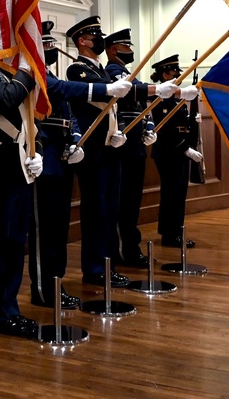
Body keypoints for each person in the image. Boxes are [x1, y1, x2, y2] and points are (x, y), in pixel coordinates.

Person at [0, 9, 42, 338]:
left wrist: (35, 150)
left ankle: (9, 308)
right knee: (1, 245)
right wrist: (28, 72)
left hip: (19, 168)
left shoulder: (7, 71)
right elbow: (5, 101)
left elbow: (26, 118)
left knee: (16, 242)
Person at [104, 29, 197, 268]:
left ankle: (130, 248)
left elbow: (139, 105)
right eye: (126, 47)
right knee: (124, 202)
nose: (131, 51)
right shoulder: (114, 72)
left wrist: (147, 127)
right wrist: (176, 91)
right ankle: (124, 251)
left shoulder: (127, 73)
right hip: (122, 146)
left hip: (134, 145)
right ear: (113, 50)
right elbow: (135, 94)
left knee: (131, 202)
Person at [64, 16, 140, 288]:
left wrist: (118, 130)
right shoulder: (78, 69)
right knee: (96, 211)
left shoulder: (102, 70)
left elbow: (116, 105)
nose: (99, 39)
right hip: (93, 151)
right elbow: (103, 96)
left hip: (109, 147)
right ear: (82, 41)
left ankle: (108, 264)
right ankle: (94, 268)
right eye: (94, 36)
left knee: (110, 209)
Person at [28, 20, 92, 310]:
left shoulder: (49, 74)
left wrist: (76, 139)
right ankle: (43, 289)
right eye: (45, 46)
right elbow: (34, 120)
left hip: (63, 158)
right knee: (44, 231)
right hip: (45, 159)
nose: (51, 50)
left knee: (60, 228)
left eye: (52, 45)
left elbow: (70, 115)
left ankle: (57, 282)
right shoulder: (36, 77)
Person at [150, 55, 203, 248]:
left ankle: (176, 231)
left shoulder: (174, 98)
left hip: (179, 152)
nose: (178, 78)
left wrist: (192, 122)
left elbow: (181, 126)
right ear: (165, 75)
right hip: (169, 153)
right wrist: (186, 149)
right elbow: (165, 131)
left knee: (179, 194)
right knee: (172, 194)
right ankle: (169, 235)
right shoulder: (160, 99)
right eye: (174, 74)